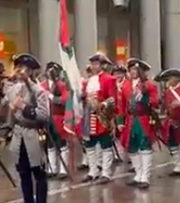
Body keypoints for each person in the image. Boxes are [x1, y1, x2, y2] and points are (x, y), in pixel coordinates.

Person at [6, 54, 50, 203]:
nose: (20, 71)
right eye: (18, 68)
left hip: (33, 133)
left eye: (23, 69)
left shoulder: (38, 90)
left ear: (30, 71)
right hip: (19, 134)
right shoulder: (13, 90)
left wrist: (23, 107)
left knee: (38, 173)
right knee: (23, 172)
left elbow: (43, 115)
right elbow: (10, 113)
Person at [117, 59, 159, 189]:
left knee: (144, 146)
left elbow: (156, 102)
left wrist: (146, 98)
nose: (133, 72)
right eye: (131, 70)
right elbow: (121, 104)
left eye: (135, 70)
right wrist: (120, 121)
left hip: (144, 119)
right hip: (130, 119)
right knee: (131, 147)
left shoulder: (149, 85)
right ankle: (138, 174)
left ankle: (145, 177)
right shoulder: (125, 86)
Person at [79, 53, 117, 183]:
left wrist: (102, 105)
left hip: (102, 116)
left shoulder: (109, 79)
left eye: (96, 64)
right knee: (89, 145)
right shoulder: (88, 81)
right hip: (89, 116)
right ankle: (93, 171)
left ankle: (106, 173)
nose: (94, 67)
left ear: (102, 65)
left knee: (105, 145)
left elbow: (113, 98)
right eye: (92, 64)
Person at [41, 62, 70, 180]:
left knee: (61, 143)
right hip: (46, 117)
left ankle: (64, 169)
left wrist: (51, 97)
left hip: (59, 117)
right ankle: (52, 168)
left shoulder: (62, 85)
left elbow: (64, 100)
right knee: (49, 144)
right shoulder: (42, 85)